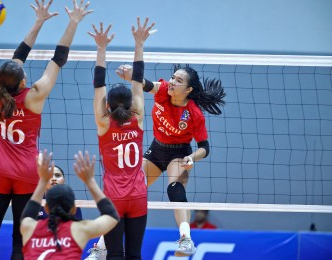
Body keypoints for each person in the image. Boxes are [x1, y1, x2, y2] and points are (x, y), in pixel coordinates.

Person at [0, 1, 92, 259]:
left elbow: (17, 58)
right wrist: (73, 22)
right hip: (27, 174)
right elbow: (58, 59)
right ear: (23, 81)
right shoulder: (34, 96)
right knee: (21, 237)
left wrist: (37, 21)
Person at [112, 51, 226, 257]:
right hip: (156, 150)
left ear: (189, 89)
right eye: (173, 77)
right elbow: (148, 84)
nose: (172, 81)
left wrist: (192, 158)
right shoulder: (164, 90)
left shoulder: (194, 114)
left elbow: (205, 147)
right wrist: (132, 77)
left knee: (175, 188)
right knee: (126, 191)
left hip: (179, 153)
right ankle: (102, 246)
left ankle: (185, 238)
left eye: (179, 80)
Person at [87, 17, 155, 260]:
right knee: (134, 254)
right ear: (130, 104)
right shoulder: (138, 118)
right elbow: (138, 82)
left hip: (113, 197)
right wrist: (139, 44)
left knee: (114, 253)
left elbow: (98, 86)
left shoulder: (103, 123)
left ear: (107, 105)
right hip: (138, 195)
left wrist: (101, 48)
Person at [21, 150, 120, 259]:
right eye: (50, 177)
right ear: (73, 208)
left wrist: (42, 181)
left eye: (57, 175)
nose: (53, 179)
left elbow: (26, 217)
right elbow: (112, 216)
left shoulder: (28, 227)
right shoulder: (79, 229)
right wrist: (89, 181)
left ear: (46, 208)